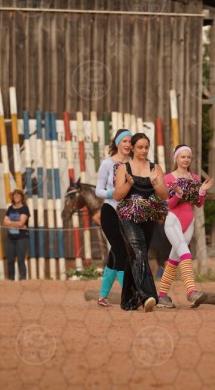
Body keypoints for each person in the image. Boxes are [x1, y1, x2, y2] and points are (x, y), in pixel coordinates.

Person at [114, 133, 169, 312]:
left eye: (146, 147)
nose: (143, 150)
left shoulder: (155, 168)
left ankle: (128, 301)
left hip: (149, 215)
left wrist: (155, 183)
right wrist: (128, 184)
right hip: (128, 215)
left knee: (135, 256)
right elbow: (117, 195)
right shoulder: (124, 168)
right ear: (132, 148)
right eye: (140, 147)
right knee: (138, 251)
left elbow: (164, 195)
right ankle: (148, 296)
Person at [157, 144, 214, 308]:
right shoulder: (168, 178)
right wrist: (178, 194)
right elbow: (168, 205)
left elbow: (199, 204)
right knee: (185, 253)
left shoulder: (195, 178)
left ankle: (162, 296)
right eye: (183, 156)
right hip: (173, 221)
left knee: (174, 259)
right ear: (176, 158)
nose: (186, 159)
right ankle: (191, 292)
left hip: (189, 222)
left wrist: (202, 191)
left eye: (188, 157)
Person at [95, 129, 132, 307]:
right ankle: (129, 295)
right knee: (121, 251)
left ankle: (102, 297)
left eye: (130, 141)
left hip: (128, 213)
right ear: (117, 143)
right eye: (124, 141)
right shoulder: (107, 163)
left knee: (114, 254)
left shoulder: (134, 163)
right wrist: (114, 193)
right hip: (110, 211)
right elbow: (98, 190)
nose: (128, 144)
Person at [4, 189, 30, 280]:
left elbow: (21, 223)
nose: (16, 197)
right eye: (14, 195)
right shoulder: (10, 208)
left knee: (20, 260)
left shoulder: (24, 208)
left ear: (22, 197)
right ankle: (11, 279)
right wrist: (16, 224)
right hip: (11, 238)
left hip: (22, 238)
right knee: (10, 260)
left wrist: (10, 223)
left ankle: (22, 279)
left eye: (18, 195)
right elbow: (5, 223)